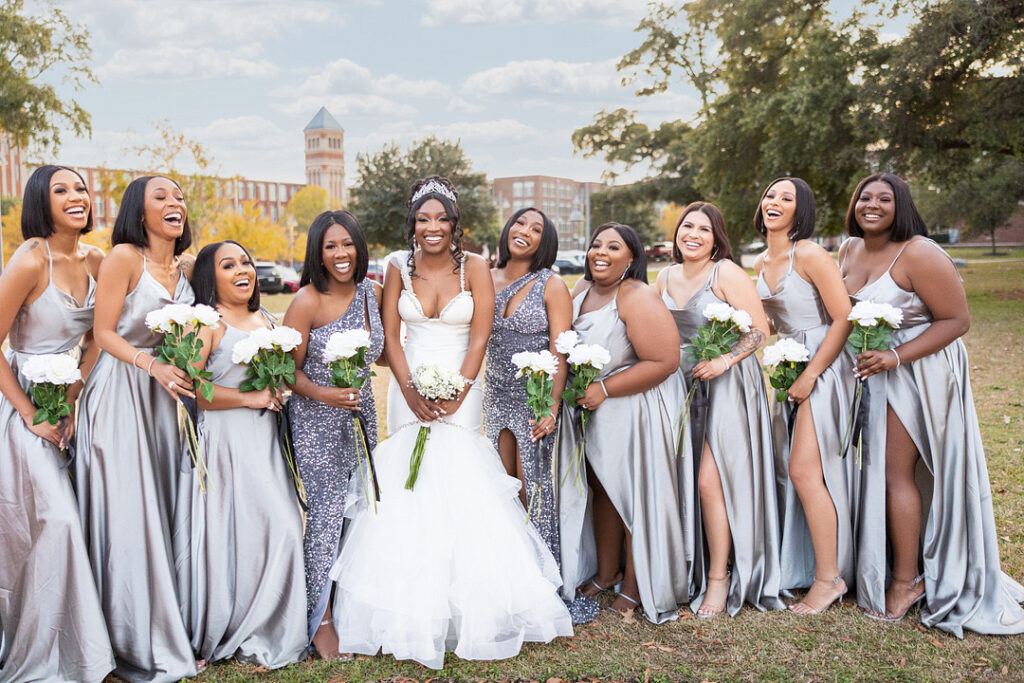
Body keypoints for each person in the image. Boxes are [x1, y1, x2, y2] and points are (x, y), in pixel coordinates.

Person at [327, 176, 572, 669]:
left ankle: (467, 608)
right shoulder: (398, 266)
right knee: (406, 488)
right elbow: (392, 339)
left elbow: (480, 336)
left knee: (459, 481)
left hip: (462, 385)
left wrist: (460, 389)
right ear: (412, 225)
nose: (432, 227)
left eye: (441, 218)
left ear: (455, 224)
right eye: (423, 219)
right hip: (407, 388)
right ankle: (405, 608)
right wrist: (411, 390)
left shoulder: (476, 267)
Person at [840, 172, 1024, 635]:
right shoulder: (848, 250)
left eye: (885, 198)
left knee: (893, 472)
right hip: (870, 371)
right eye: (866, 197)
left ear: (901, 206)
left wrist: (896, 355)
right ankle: (894, 560)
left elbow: (957, 319)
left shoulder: (918, 252)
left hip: (916, 371)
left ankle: (907, 581)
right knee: (874, 472)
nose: (873, 205)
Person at [75, 176, 202, 681]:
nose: (175, 204)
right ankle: (128, 639)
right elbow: (102, 332)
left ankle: (168, 623)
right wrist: (151, 366)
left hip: (166, 404)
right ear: (138, 210)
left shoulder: (188, 267)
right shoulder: (124, 258)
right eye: (161, 198)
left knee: (165, 509)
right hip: (121, 394)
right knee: (130, 516)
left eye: (179, 197)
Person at [0, 165, 114, 682]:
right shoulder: (29, 260)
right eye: (61, 190)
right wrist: (30, 414)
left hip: (73, 403)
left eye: (81, 188)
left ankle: (84, 650)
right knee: (55, 524)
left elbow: (99, 334)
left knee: (84, 520)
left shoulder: (97, 258)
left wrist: (74, 388)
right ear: (39, 204)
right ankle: (64, 659)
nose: (76, 197)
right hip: (23, 409)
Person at [174, 241, 307, 667]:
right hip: (225, 444)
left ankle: (271, 623)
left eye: (245, 262)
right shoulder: (206, 323)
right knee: (233, 535)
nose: (242, 270)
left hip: (266, 443)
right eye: (228, 265)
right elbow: (192, 389)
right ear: (211, 278)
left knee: (280, 529)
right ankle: (228, 624)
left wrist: (279, 391)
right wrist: (250, 399)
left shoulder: (267, 319)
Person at [655, 202, 784, 618]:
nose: (693, 234)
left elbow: (759, 331)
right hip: (681, 384)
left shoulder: (724, 272)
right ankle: (684, 566)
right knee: (684, 479)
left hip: (728, 382)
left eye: (704, 229)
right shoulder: (663, 276)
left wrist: (723, 361)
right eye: (687, 226)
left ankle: (719, 578)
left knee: (711, 482)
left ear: (716, 238)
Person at [560, 222, 688, 622]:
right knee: (602, 490)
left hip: (631, 409)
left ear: (632, 257)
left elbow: (665, 360)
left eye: (613, 247)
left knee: (632, 494)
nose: (600, 252)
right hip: (591, 411)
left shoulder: (634, 295)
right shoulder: (580, 291)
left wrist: (606, 390)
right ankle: (606, 571)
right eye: (596, 244)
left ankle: (635, 585)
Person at [483, 208, 599, 624]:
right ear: (507, 228)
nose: (525, 232)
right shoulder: (483, 275)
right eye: (520, 223)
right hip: (494, 395)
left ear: (544, 241)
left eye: (536, 229)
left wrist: (550, 405)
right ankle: (508, 581)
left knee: (534, 492)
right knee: (501, 488)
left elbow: (560, 348)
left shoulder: (551, 284)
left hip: (534, 399)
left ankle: (542, 585)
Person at [284, 211, 384, 658]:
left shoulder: (372, 293)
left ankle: (349, 605)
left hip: (362, 416)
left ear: (359, 247)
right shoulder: (307, 300)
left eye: (347, 244)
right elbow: (287, 370)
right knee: (324, 516)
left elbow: (382, 354)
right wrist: (324, 393)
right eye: (330, 246)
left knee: (360, 512)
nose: (341, 254)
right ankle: (319, 619)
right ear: (317, 254)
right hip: (316, 419)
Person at [754, 177, 856, 614]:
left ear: (801, 210)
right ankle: (810, 565)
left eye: (786, 198)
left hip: (826, 367)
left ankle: (829, 579)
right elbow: (773, 324)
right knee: (796, 470)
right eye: (770, 195)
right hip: (792, 365)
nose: (774, 202)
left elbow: (843, 317)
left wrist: (813, 374)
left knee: (803, 471)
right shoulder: (760, 261)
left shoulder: (810, 254)